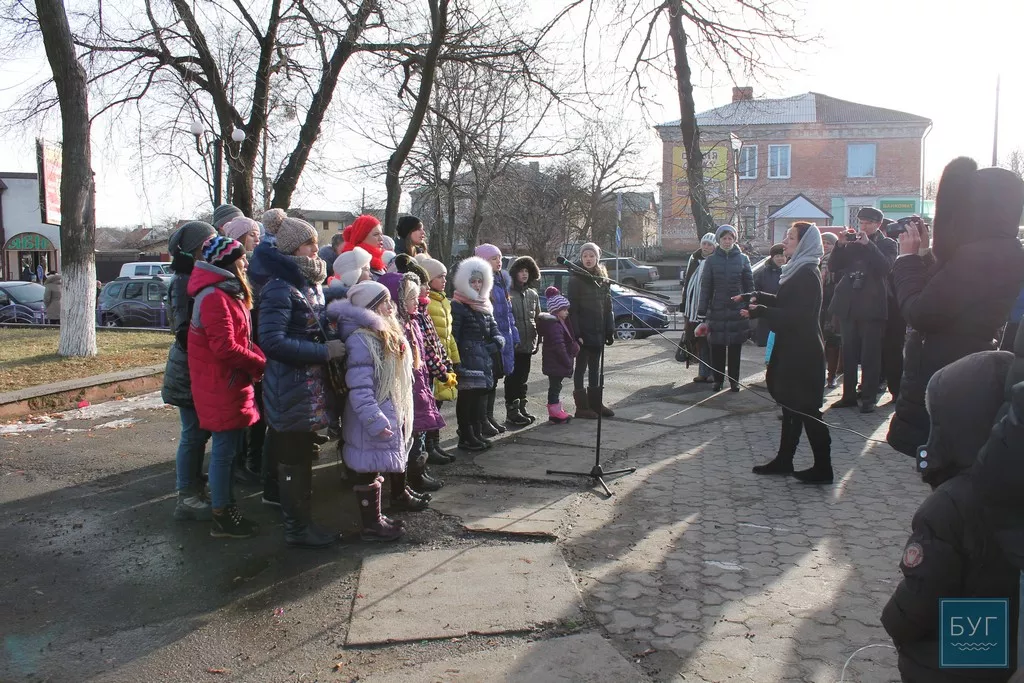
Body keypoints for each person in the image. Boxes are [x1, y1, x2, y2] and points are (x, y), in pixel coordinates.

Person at [880, 350, 1019, 683]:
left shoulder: (950, 505)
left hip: (960, 656)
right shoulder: (1014, 486)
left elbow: (921, 598)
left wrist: (894, 622)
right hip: (1007, 643)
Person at [887, 158, 1024, 456]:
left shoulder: (986, 253)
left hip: (948, 375)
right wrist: (923, 255)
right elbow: (945, 292)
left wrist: (907, 260)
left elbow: (922, 312)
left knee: (944, 470)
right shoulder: (993, 249)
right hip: (951, 370)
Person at [256, 213, 344, 548]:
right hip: (289, 387)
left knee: (302, 456)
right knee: (293, 458)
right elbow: (273, 342)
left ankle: (302, 523)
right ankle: (297, 529)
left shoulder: (308, 285)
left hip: (306, 387)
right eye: (310, 244)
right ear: (294, 248)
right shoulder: (281, 289)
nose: (316, 251)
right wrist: (324, 352)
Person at [187, 235, 266, 538]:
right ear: (229, 262)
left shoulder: (226, 293)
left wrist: (255, 357)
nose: (246, 262)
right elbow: (225, 348)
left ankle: (224, 507)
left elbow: (238, 342)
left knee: (228, 451)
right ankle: (222, 514)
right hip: (222, 384)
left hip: (230, 381)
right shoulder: (215, 297)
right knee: (223, 453)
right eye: (242, 257)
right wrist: (260, 363)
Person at [743, 222, 832, 484]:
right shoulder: (798, 269)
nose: (785, 241)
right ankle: (784, 460)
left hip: (803, 353)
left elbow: (798, 316)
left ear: (804, 243)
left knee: (807, 411)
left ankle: (823, 468)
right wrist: (757, 296)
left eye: (791, 237)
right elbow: (786, 303)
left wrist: (762, 311)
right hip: (793, 348)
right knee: (791, 408)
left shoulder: (806, 272)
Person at [330, 280, 412, 542]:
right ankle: (370, 525)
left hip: (380, 413)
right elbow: (360, 388)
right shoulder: (362, 341)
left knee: (373, 469)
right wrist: (375, 419)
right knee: (366, 470)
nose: (391, 307)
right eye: (385, 302)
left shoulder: (378, 335)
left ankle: (375, 518)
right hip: (368, 419)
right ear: (371, 308)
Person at [162, 220, 217, 522]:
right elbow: (183, 329)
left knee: (200, 433)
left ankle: (195, 484)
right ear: (196, 249)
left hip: (196, 367)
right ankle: (187, 494)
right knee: (193, 434)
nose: (214, 246)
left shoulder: (197, 275)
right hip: (187, 369)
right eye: (209, 242)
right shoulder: (184, 281)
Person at [380, 271, 444, 509]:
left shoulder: (413, 321)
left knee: (417, 434)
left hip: (419, 384)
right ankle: (403, 485)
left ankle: (414, 477)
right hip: (404, 389)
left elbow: (425, 352)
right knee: (406, 438)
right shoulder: (396, 328)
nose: (416, 303)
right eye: (410, 298)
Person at [827, 207, 898, 413]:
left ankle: (868, 398)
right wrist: (840, 245)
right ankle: (848, 396)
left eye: (867, 223)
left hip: (872, 306)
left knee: (870, 355)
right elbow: (833, 266)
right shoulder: (851, 243)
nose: (863, 227)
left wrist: (869, 246)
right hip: (849, 304)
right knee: (848, 352)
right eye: (861, 223)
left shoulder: (887, 243)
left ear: (877, 224)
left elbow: (886, 267)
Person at [450, 256, 504, 451]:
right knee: (467, 399)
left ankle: (475, 432)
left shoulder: (484, 305)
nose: (476, 284)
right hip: (467, 359)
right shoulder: (458, 305)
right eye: (472, 281)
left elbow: (494, 329)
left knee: (478, 398)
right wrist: (458, 359)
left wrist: (496, 343)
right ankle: (465, 434)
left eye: (480, 281)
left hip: (483, 359)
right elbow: (453, 335)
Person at [696, 225, 754, 392]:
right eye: (724, 238)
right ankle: (718, 380)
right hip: (717, 308)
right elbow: (706, 288)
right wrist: (702, 312)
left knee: (736, 347)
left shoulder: (743, 259)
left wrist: (749, 305)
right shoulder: (712, 260)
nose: (727, 241)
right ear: (719, 240)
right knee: (717, 347)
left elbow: (749, 285)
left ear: (734, 240)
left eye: (730, 238)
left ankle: (734, 380)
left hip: (737, 309)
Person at [419, 254, 460, 462]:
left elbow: (447, 334)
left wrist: (453, 358)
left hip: (442, 361)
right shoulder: (428, 305)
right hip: (431, 365)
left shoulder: (444, 301)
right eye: (440, 276)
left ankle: (435, 445)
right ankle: (429, 448)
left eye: (445, 276)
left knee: (438, 406)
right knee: (431, 407)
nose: (444, 280)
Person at [567, 242, 615, 418]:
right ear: (581, 258)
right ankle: (582, 407)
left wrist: (610, 328)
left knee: (595, 369)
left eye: (592, 256)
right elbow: (573, 310)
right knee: (580, 368)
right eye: (585, 256)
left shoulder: (603, 279)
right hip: (583, 333)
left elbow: (608, 306)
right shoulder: (576, 279)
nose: (588, 259)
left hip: (598, 332)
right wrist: (577, 334)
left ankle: (596, 404)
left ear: (597, 258)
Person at [475, 244, 518, 435]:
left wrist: (514, 335)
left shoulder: (501, 282)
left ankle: (489, 416)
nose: (499, 262)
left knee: (495, 379)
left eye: (500, 258)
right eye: (494, 259)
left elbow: (509, 314)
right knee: (486, 382)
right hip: (490, 340)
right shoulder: (480, 284)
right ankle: (481, 419)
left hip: (502, 338)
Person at [506, 256, 541, 426]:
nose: (524, 274)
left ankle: (522, 406)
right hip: (514, 344)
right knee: (513, 378)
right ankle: (512, 410)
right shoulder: (508, 294)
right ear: (514, 273)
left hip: (528, 343)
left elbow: (537, 317)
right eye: (521, 271)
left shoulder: (532, 294)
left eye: (527, 271)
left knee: (523, 377)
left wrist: (538, 338)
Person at [537, 287, 578, 424]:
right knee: (555, 387)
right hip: (555, 362)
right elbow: (559, 346)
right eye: (564, 309)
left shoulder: (559, 324)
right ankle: (554, 412)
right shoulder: (555, 326)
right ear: (556, 310)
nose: (567, 312)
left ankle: (556, 410)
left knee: (556, 386)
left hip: (554, 362)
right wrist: (567, 361)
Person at [680, 233, 716, 382]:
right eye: (704, 243)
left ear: (715, 247)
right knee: (699, 341)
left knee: (712, 341)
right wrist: (684, 304)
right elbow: (687, 281)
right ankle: (703, 372)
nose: (706, 247)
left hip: (709, 308)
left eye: (709, 244)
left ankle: (714, 373)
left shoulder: (715, 261)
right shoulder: (693, 259)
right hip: (692, 308)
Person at [820, 232, 842, 389]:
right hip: (818, 306)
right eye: (823, 242)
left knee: (833, 342)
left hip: (833, 306)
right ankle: (818, 373)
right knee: (818, 342)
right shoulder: (815, 261)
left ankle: (831, 376)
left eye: (829, 243)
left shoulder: (838, 264)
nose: (826, 246)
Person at [752, 243, 785, 347]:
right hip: (766, 312)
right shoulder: (764, 272)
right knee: (765, 344)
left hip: (783, 311)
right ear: (772, 257)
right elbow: (756, 289)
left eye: (782, 255)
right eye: (777, 256)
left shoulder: (790, 271)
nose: (780, 258)